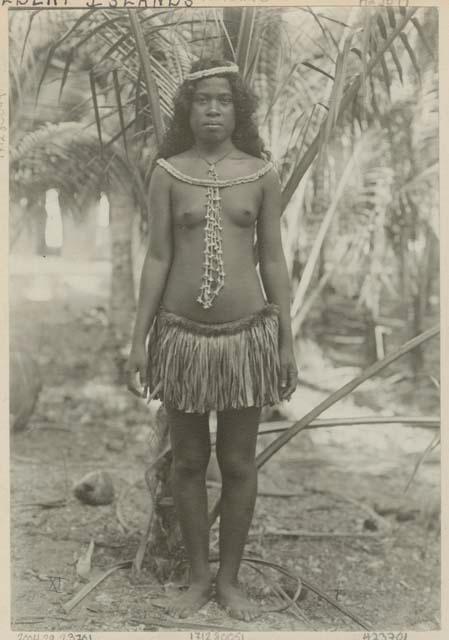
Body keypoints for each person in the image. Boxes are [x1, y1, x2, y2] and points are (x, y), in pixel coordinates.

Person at [126, 58, 298, 622]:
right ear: (188, 109)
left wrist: (285, 341)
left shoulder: (261, 173)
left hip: (248, 339)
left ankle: (230, 582)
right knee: (189, 459)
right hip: (179, 339)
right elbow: (157, 258)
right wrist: (140, 339)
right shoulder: (168, 172)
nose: (214, 109)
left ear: (238, 108)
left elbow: (272, 260)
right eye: (203, 100)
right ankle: (198, 579)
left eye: (224, 100)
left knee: (240, 462)